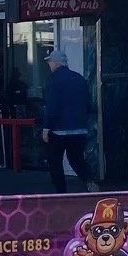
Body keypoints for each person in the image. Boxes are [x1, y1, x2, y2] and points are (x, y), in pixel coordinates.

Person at [40, 49, 92, 192]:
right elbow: (88, 104)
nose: (49, 65)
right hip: (79, 128)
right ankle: (89, 180)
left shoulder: (52, 80)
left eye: (50, 62)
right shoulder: (79, 78)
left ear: (56, 63)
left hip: (58, 130)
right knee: (77, 160)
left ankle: (61, 192)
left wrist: (46, 127)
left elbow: (52, 105)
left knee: (55, 161)